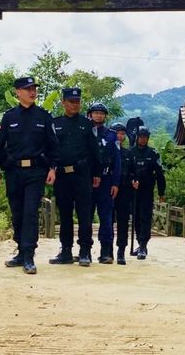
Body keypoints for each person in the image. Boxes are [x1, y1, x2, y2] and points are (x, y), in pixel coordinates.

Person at [0, 76, 58, 275]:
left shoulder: (44, 116)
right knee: (17, 213)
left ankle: (29, 256)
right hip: (14, 172)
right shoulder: (9, 117)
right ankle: (20, 251)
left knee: (30, 212)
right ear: (17, 92)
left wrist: (53, 168)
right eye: (27, 89)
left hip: (36, 172)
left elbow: (54, 146)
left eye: (34, 88)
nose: (32, 92)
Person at [49, 87, 102, 267]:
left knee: (84, 214)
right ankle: (65, 250)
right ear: (63, 102)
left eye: (78, 101)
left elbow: (95, 151)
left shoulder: (87, 125)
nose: (75, 104)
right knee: (64, 215)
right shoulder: (55, 124)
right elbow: (51, 150)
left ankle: (85, 251)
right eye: (71, 101)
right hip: (62, 176)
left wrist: (96, 173)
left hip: (82, 175)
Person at [87, 102, 121, 264]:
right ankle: (85, 250)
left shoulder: (111, 135)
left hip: (106, 181)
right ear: (90, 114)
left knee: (106, 217)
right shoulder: (85, 131)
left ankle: (107, 251)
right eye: (95, 112)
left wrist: (116, 183)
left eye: (101, 113)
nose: (98, 115)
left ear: (105, 116)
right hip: (86, 181)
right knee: (85, 215)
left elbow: (117, 160)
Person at [132, 126, 165, 259]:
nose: (143, 140)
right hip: (133, 191)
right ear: (137, 138)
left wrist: (161, 192)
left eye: (145, 137)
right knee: (136, 218)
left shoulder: (153, 153)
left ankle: (143, 245)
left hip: (147, 191)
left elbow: (160, 174)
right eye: (141, 137)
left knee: (145, 217)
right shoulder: (131, 152)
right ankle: (139, 242)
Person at [110, 122, 138, 265]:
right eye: (117, 133)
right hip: (109, 191)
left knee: (123, 222)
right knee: (108, 221)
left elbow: (134, 172)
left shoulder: (128, 153)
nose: (120, 136)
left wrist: (135, 180)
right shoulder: (107, 151)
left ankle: (121, 251)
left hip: (125, 191)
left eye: (122, 134)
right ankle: (107, 250)